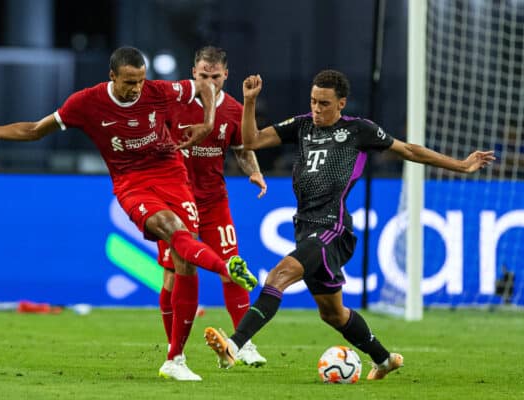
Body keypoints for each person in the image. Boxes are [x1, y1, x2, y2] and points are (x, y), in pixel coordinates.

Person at [0, 46, 258, 382]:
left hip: (172, 175)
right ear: (112, 76)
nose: (135, 89)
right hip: (132, 184)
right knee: (172, 229)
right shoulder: (86, 102)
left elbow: (206, 88)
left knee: (184, 261)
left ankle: (174, 359)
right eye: (128, 82)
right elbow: (35, 129)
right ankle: (223, 270)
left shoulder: (159, 91)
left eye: (139, 81)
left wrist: (207, 123)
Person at [204, 70, 495, 379]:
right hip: (305, 227)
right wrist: (249, 102)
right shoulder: (301, 126)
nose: (316, 109)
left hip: (333, 228)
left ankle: (234, 346)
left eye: (324, 104)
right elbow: (251, 140)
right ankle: (384, 360)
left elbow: (408, 150)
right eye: (313, 101)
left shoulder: (358, 131)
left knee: (278, 276)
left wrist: (461, 165)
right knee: (332, 313)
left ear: (341, 103)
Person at [156, 46, 268, 370]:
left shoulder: (232, 110)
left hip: (213, 200)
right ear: (193, 73)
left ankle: (243, 344)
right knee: (174, 276)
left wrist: (256, 172)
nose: (208, 81)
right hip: (176, 202)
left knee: (232, 267)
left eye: (215, 77)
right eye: (203, 75)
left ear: (225, 76)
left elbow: (242, 151)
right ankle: (174, 347)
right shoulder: (173, 103)